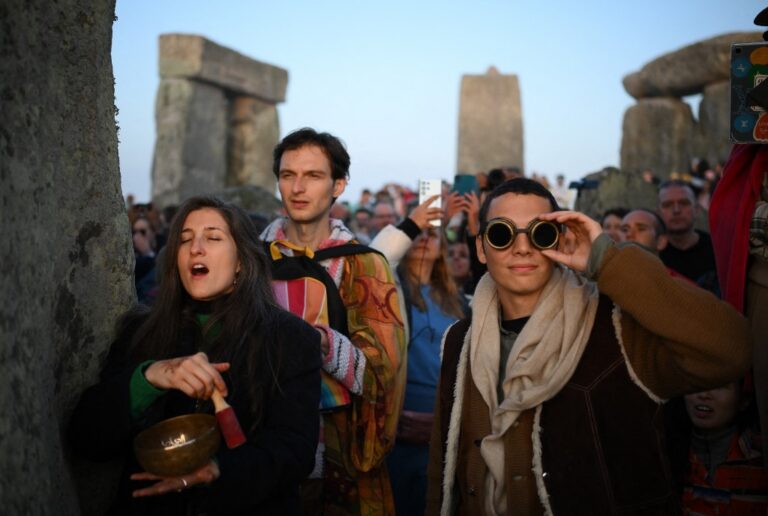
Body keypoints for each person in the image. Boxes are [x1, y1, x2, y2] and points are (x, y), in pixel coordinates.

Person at [425, 178, 751, 515]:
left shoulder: (618, 329)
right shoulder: (459, 341)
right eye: (501, 234)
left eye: (540, 232)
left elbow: (731, 350)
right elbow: (443, 469)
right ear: (481, 248)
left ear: (561, 237)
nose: (521, 248)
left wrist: (606, 259)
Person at [69, 196, 322, 515]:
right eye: (185, 239)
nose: (195, 248)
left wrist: (217, 471)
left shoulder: (291, 338)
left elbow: (294, 452)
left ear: (242, 260)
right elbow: (86, 439)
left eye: (213, 238)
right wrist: (149, 378)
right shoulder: (140, 332)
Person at [260, 128, 406, 515]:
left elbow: (381, 377)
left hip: (343, 454)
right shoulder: (251, 259)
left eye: (313, 175)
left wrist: (317, 342)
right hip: (260, 451)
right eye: (288, 175)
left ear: (338, 184)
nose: (298, 187)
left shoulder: (366, 265)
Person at [387, 226, 467, 515]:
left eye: (432, 234)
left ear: (442, 247)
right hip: (400, 420)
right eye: (416, 233)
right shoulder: (390, 291)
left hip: (444, 421)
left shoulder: (459, 301)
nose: (423, 239)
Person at [681, 381, 768, 514]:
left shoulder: (759, 457)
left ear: (744, 400)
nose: (704, 394)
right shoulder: (667, 454)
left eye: (719, 385)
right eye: (696, 381)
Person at [658, 180, 717, 285]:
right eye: (668, 205)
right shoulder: (652, 253)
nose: (676, 210)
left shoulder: (717, 250)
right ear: (658, 212)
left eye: (684, 203)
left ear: (697, 209)